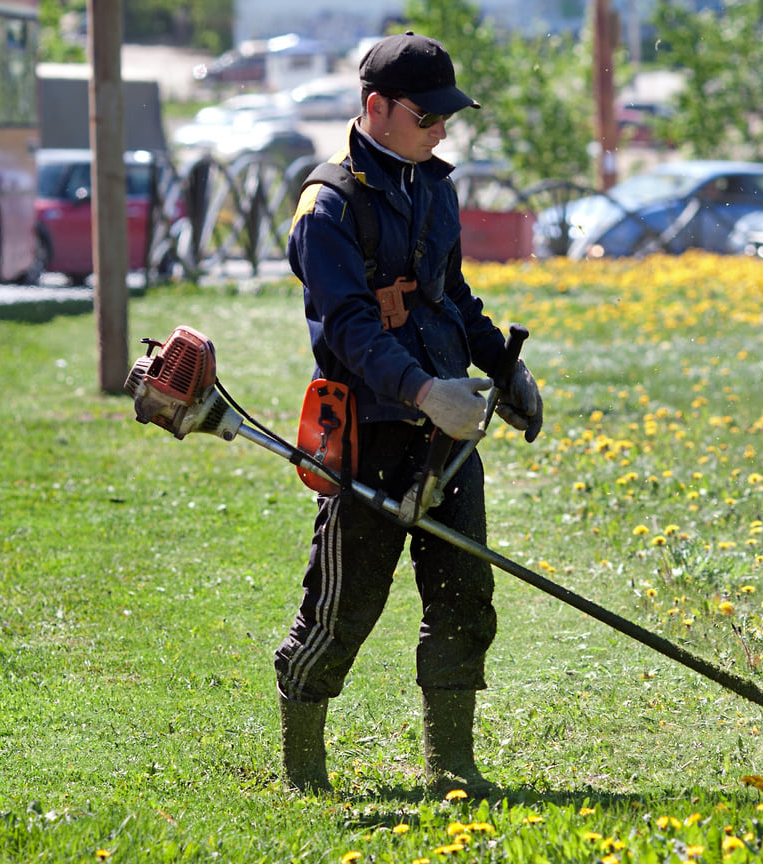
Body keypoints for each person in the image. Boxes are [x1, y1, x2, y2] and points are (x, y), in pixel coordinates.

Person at [275, 31, 543, 798]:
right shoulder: (324, 209)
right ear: (375, 107)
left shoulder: (434, 186)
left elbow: (449, 295)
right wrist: (425, 392)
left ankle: (451, 767)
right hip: (368, 433)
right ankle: (304, 771)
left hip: (449, 431)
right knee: (342, 607)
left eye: (446, 117)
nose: (441, 130)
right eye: (426, 117)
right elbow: (352, 328)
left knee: (464, 594)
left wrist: (503, 366)